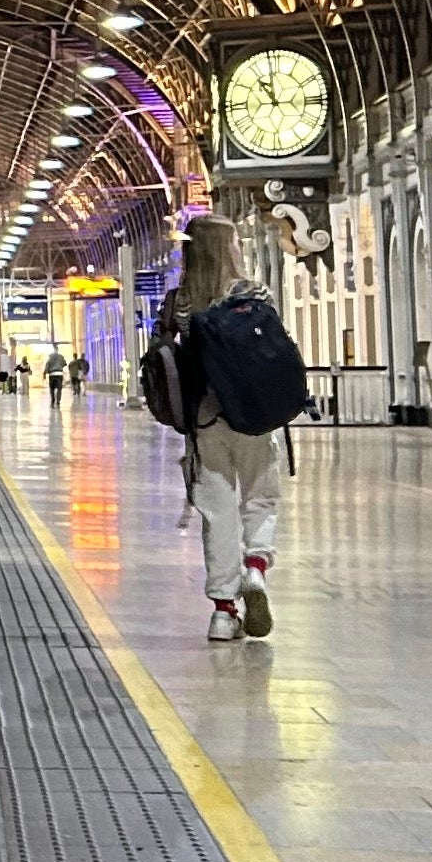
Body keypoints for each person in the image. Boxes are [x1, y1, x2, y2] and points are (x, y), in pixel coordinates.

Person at [159, 218, 297, 643]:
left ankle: (223, 611)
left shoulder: (182, 302)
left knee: (217, 513)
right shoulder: (254, 293)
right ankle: (255, 570)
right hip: (254, 415)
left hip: (207, 420)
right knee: (260, 498)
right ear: (230, 247)